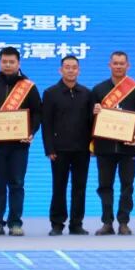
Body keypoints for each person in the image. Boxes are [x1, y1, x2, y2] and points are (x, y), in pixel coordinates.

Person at [0, 46, 42, 236]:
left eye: (12, 62)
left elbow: (38, 112)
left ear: (18, 63)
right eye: (4, 61)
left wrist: (31, 132)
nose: (8, 65)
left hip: (19, 144)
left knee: (17, 183)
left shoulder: (29, 87)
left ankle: (15, 223)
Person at [91, 51, 135, 235]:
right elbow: (89, 120)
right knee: (104, 186)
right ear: (109, 65)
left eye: (122, 63)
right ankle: (107, 222)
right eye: (115, 63)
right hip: (104, 146)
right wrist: (94, 112)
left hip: (128, 148)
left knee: (127, 186)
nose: (118, 66)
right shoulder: (99, 89)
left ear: (128, 66)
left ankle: (124, 222)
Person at [41, 55, 92, 236]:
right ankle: (57, 223)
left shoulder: (87, 93)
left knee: (80, 187)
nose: (71, 70)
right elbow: (46, 123)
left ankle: (76, 223)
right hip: (59, 149)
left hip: (82, 149)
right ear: (60, 70)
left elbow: (92, 122)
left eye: (74, 67)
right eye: (67, 67)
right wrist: (49, 148)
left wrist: (92, 146)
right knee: (59, 187)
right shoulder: (50, 93)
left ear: (79, 70)